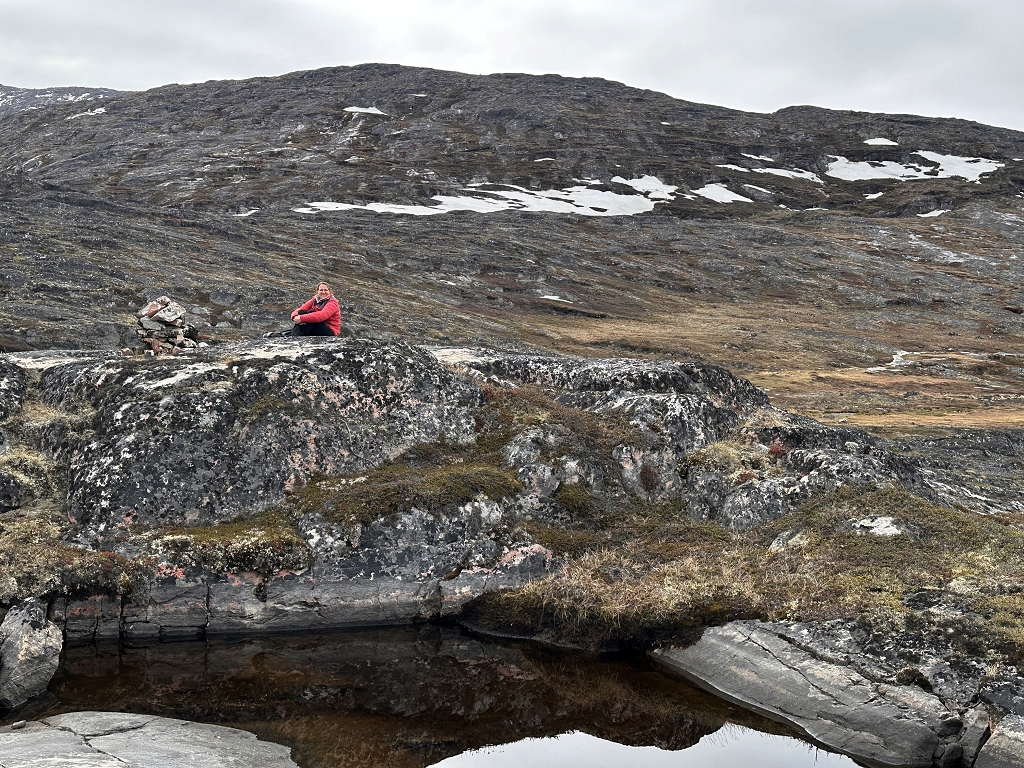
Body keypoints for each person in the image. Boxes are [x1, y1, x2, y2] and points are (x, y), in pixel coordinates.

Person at [266, 282, 341, 337]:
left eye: (325, 290)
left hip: (329, 331)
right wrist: (295, 317)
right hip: (315, 328)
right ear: (317, 292)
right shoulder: (315, 300)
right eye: (321, 290)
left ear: (329, 292)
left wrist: (302, 319)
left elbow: (322, 316)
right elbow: (300, 309)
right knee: (302, 312)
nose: (323, 292)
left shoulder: (332, 302)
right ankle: (290, 335)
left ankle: (290, 336)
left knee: (312, 313)